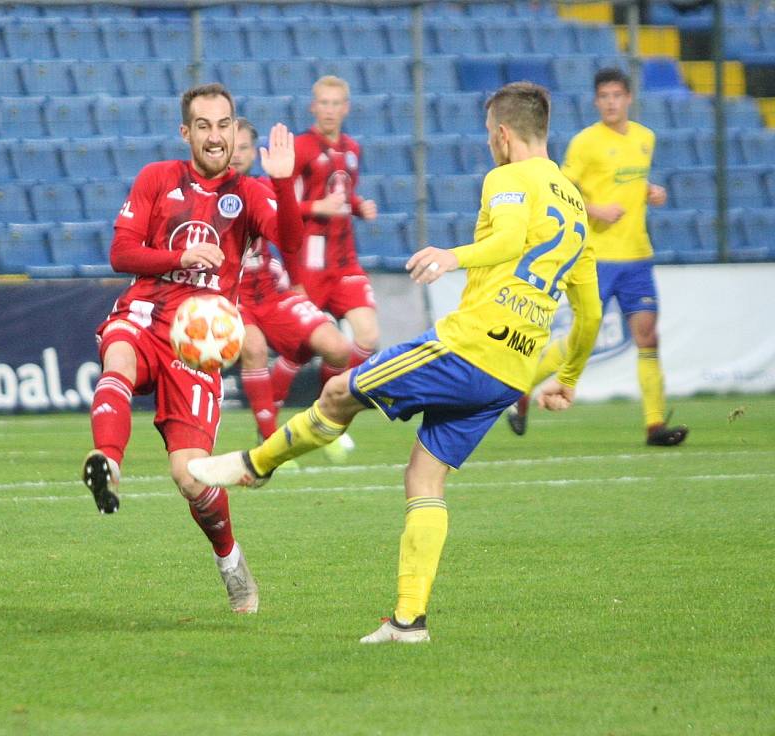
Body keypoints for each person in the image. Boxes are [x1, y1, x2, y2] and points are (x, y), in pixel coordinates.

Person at [188, 82, 603, 643]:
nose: (489, 146)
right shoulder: (574, 201)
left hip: (467, 348)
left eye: (488, 136)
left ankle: (254, 465)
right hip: (511, 372)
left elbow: (506, 237)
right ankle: (410, 621)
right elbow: (591, 312)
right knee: (425, 476)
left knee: (338, 394)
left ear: (503, 135)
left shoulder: (508, 178)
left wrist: (452, 256)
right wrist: (568, 377)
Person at [81, 83, 302, 615]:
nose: (214, 136)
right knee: (118, 357)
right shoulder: (157, 178)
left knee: (190, 475)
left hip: (199, 339)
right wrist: (178, 254)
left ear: (233, 129)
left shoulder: (249, 193)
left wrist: (285, 183)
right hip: (146, 311)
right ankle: (107, 462)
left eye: (223, 125)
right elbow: (120, 252)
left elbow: (292, 245)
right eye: (203, 126)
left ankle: (230, 560)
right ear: (187, 132)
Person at [506, 68, 688, 447]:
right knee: (578, 341)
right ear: (595, 101)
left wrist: (649, 191)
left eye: (616, 95)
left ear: (628, 98)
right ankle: (521, 388)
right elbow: (561, 189)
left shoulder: (645, 139)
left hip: (638, 255)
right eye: (603, 96)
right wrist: (594, 209)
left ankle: (654, 425)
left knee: (647, 337)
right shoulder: (585, 143)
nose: (610, 102)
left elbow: (627, 183)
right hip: (597, 257)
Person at [230, 117, 354, 461]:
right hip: (230, 293)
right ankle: (269, 440)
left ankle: (323, 420)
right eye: (232, 146)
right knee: (252, 346)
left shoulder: (262, 187)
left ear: (255, 153)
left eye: (244, 147)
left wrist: (297, 281)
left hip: (270, 289)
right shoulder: (208, 191)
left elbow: (288, 233)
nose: (237, 154)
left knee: (338, 348)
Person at [270, 76, 379, 415]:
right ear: (313, 106)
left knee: (367, 337)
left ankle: (329, 404)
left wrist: (359, 206)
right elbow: (277, 201)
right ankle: (267, 413)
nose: (330, 110)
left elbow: (341, 194)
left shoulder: (352, 149)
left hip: (345, 261)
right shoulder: (302, 147)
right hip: (309, 263)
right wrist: (316, 208)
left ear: (346, 108)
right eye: (324, 103)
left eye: (336, 104)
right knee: (298, 351)